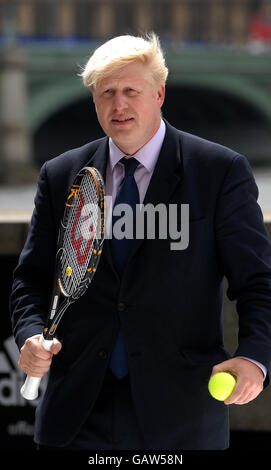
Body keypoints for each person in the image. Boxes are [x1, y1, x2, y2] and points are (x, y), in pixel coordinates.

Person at [10, 33, 271, 450]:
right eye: (107, 92)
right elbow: (31, 278)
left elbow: (259, 281)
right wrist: (27, 334)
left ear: (159, 93)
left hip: (181, 417)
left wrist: (255, 356)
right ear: (94, 101)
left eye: (131, 90)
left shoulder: (219, 172)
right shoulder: (60, 175)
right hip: (75, 416)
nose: (119, 105)